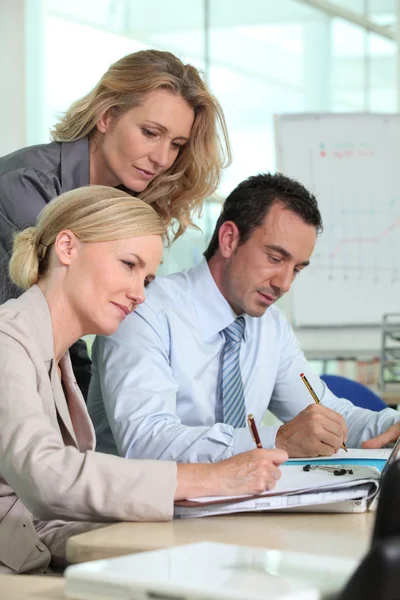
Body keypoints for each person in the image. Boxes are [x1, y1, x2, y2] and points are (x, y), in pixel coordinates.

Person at [0, 185, 286, 575]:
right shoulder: (7, 342)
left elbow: (40, 519)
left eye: (148, 279)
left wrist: (174, 536)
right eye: (128, 265)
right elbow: (48, 479)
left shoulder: (55, 356)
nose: (139, 295)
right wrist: (208, 478)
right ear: (67, 247)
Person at [88, 173, 400, 462]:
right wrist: (275, 441)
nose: (284, 284)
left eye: (297, 269)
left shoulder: (270, 325)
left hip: (236, 510)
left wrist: (393, 425)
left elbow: (327, 414)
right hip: (137, 512)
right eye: (275, 258)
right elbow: (145, 442)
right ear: (229, 239)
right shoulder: (143, 310)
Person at [0, 48, 231, 398]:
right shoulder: (27, 184)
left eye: (176, 144)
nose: (162, 158)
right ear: (106, 117)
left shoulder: (123, 205)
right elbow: (51, 312)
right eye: (151, 133)